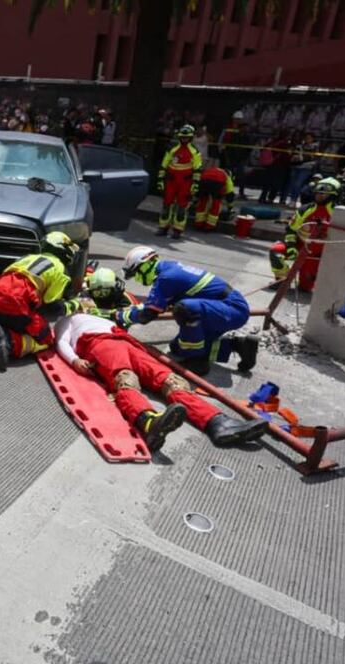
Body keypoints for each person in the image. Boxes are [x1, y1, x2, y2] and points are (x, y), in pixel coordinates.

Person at [56, 312, 268, 451]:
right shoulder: (68, 319)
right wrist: (74, 360)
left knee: (170, 381)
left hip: (128, 343)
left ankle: (218, 423)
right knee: (125, 379)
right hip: (99, 344)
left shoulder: (101, 317)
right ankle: (148, 422)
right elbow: (61, 342)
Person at [115, 246, 258, 376]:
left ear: (145, 266)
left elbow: (147, 315)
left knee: (184, 309)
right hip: (224, 308)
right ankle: (239, 345)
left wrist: (120, 316)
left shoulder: (165, 278)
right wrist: (129, 312)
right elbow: (152, 306)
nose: (138, 279)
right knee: (177, 348)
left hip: (232, 309)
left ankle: (198, 362)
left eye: (136, 274)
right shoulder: (168, 268)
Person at [0, 232, 83, 370]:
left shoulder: (27, 258)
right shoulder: (60, 270)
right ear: (63, 250)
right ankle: (10, 341)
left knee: (3, 321)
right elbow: (53, 307)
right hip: (17, 308)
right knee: (46, 338)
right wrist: (75, 304)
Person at [269, 177, 340, 292]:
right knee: (275, 250)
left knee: (305, 288)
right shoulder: (305, 209)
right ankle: (282, 281)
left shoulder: (338, 214)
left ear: (333, 196)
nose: (319, 196)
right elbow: (291, 229)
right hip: (299, 247)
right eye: (318, 193)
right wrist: (291, 246)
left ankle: (308, 280)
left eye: (324, 194)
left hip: (317, 255)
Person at [157, 124, 203, 238]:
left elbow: (198, 168)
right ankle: (163, 228)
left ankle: (177, 230)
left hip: (185, 183)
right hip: (171, 181)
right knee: (166, 205)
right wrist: (160, 180)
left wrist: (195, 185)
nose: (184, 139)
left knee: (182, 207)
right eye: (182, 137)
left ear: (191, 138)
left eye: (186, 137)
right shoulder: (172, 148)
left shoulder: (194, 151)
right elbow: (164, 165)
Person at [215, 111, 251, 197]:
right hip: (228, 155)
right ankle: (224, 190)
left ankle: (240, 192)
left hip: (240, 157)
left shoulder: (244, 134)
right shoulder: (228, 128)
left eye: (240, 119)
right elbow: (222, 141)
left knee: (240, 175)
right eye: (237, 119)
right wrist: (222, 152)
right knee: (227, 174)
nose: (238, 121)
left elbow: (247, 147)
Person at [193, 165, 236, 231]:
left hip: (204, 180)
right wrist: (230, 207)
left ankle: (199, 224)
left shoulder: (212, 169)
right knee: (216, 204)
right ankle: (209, 226)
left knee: (203, 202)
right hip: (216, 183)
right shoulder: (227, 176)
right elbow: (230, 194)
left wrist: (195, 200)